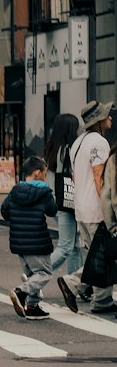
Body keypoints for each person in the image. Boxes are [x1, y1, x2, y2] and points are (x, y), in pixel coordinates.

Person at [58, 100, 115, 316]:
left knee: (98, 257)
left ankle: (102, 301)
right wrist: (109, 210)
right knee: (102, 257)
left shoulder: (78, 143)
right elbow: (100, 178)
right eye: (107, 115)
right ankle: (72, 282)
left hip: (81, 208)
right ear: (99, 121)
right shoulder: (99, 143)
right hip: (96, 210)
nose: (110, 118)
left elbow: (75, 177)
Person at [1, 156, 57, 320]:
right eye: (45, 174)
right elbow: (52, 211)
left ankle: (32, 306)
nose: (46, 177)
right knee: (44, 273)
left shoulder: (15, 191)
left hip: (19, 243)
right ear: (38, 173)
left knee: (34, 275)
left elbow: (4, 212)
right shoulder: (44, 192)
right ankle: (21, 292)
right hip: (37, 241)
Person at [44, 112, 84, 293]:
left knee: (74, 246)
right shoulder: (67, 150)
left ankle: (74, 283)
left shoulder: (53, 148)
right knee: (67, 246)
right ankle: (38, 274)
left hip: (57, 201)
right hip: (66, 203)